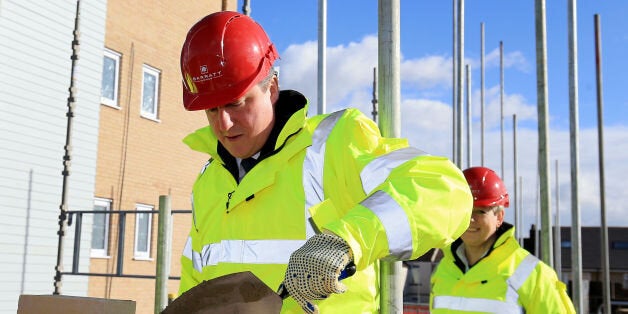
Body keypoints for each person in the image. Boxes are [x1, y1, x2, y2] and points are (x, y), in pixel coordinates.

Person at [177, 11, 473, 313]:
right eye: (211, 110)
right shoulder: (209, 181)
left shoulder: (332, 146)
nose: (224, 124)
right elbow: (195, 286)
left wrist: (345, 240)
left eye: (235, 103)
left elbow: (442, 189)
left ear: (272, 88)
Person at [430, 166, 576, 313]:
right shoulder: (443, 271)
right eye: (464, 210)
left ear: (499, 217)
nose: (470, 219)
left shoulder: (532, 275)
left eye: (480, 211)